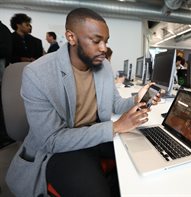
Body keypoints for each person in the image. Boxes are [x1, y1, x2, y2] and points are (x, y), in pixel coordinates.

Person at [6, 7, 160, 197]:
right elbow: (51, 140)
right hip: (61, 149)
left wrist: (137, 99)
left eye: (106, 41)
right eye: (96, 41)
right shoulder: (37, 74)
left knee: (150, 152)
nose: (103, 48)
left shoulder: (103, 66)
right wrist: (115, 127)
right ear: (71, 37)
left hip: (96, 136)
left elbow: (114, 104)